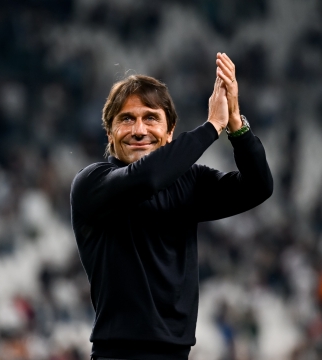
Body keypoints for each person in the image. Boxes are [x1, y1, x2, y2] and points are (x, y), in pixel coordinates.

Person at [70, 53, 274, 360]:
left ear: (170, 133)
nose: (139, 130)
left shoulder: (189, 182)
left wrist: (235, 125)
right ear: (110, 133)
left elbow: (258, 187)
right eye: (126, 119)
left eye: (151, 118)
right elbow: (147, 179)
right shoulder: (92, 183)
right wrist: (210, 127)